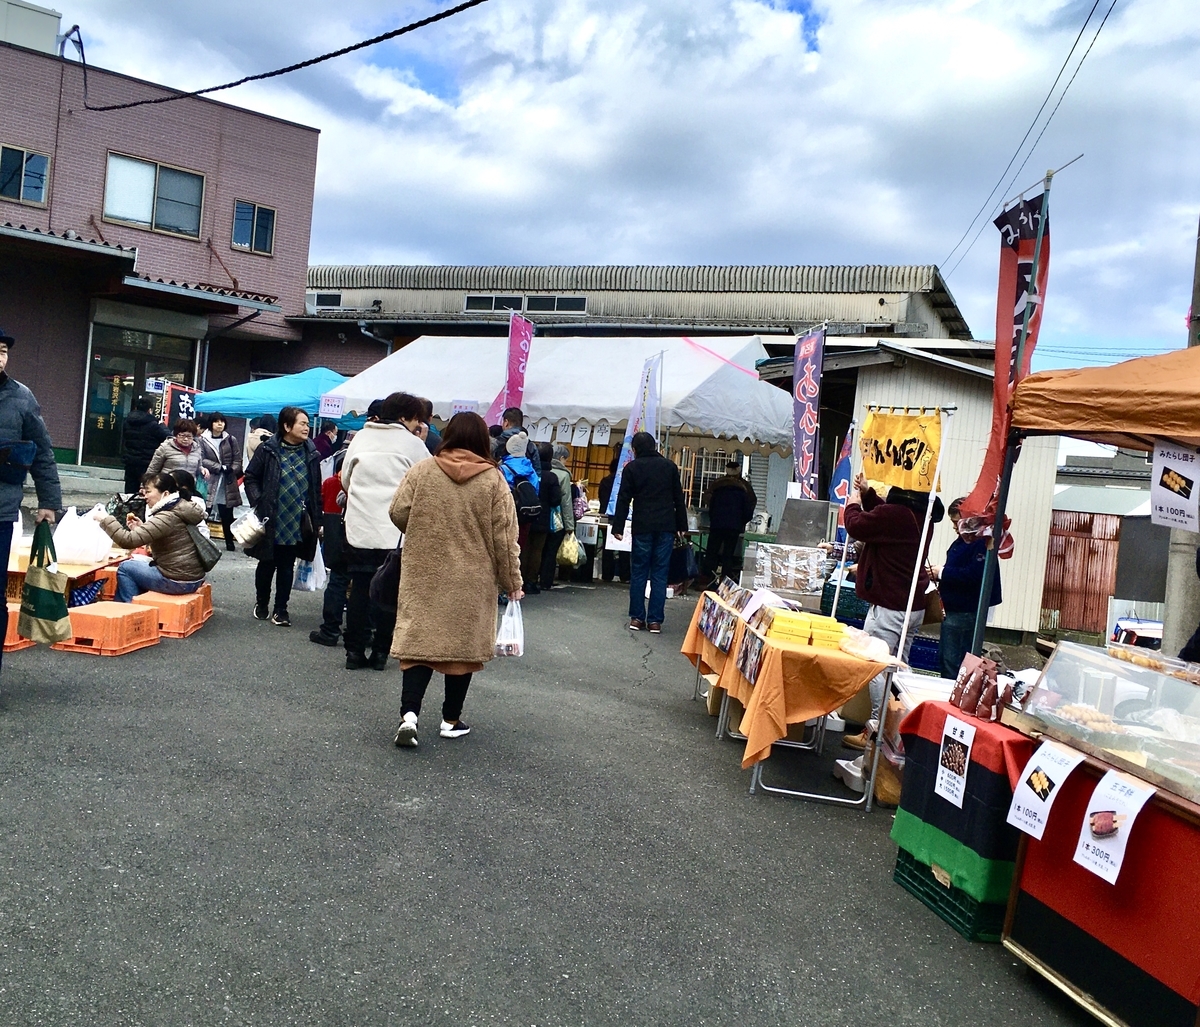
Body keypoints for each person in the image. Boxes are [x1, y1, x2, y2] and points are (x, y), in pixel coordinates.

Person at [389, 412, 522, 748]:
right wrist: (513, 581)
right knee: (460, 651)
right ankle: (450, 720)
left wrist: (423, 529)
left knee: (419, 647)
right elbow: (505, 538)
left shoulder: (422, 470)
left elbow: (398, 511)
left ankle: (409, 716)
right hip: (472, 578)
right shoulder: (493, 480)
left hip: (425, 572)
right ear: (481, 440)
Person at [842, 473, 944, 748]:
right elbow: (882, 515)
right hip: (911, 606)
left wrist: (853, 503)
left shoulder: (897, 515)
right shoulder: (920, 516)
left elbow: (858, 525)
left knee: (877, 666)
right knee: (900, 669)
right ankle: (899, 729)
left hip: (890, 606)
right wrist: (867, 493)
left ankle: (877, 731)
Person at [340, 392, 431, 670]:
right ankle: (380, 652)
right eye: (416, 418)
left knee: (359, 590)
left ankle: (354, 652)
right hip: (394, 531)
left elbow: (345, 480)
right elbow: (426, 483)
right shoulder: (413, 445)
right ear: (405, 417)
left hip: (359, 528)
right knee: (388, 592)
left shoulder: (360, 439)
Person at [0, 327, 60, 674]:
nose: (0, 356)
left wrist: (48, 502)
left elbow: (43, 454)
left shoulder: (21, 397)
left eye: (4, 351)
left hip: (2, 511)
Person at [243, 406, 322, 627]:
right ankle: (262, 602)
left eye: (307, 424)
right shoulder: (268, 449)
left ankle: (281, 609)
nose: (307, 427)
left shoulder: (311, 453)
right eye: (302, 423)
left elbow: (316, 488)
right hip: (271, 516)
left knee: (287, 564)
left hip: (296, 519)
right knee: (267, 563)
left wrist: (318, 520)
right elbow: (251, 477)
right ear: (287, 426)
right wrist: (259, 501)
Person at [610, 432, 688, 634]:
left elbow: (624, 499)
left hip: (642, 525)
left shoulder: (632, 468)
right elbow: (678, 498)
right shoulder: (669, 467)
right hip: (666, 526)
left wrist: (617, 527)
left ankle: (637, 618)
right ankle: (655, 621)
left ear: (635, 450)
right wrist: (682, 525)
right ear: (655, 447)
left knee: (639, 572)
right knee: (660, 573)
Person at [94, 471, 206, 602]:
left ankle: (128, 610)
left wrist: (105, 519)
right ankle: (141, 606)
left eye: (148, 492)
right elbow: (166, 536)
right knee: (137, 565)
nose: (144, 495)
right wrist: (140, 528)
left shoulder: (166, 516)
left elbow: (127, 541)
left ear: (165, 494)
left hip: (178, 581)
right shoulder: (178, 508)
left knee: (126, 568)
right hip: (192, 577)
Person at [932, 497, 1002, 680]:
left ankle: (951, 697)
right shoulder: (968, 540)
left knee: (953, 661)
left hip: (964, 610)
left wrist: (942, 573)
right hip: (956, 608)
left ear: (967, 519)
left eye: (956, 522)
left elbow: (974, 575)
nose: (954, 527)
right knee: (949, 659)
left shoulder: (980, 541)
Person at [311, 451, 350, 648]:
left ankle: (330, 630)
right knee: (364, 583)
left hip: (336, 527)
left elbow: (327, 500)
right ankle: (361, 634)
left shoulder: (330, 482)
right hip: (371, 533)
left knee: (338, 579)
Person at [701, 459, 757, 584]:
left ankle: (705, 580)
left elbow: (710, 502)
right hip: (734, 527)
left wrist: (714, 518)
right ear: (738, 470)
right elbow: (750, 507)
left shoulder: (717, 485)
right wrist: (741, 521)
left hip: (717, 525)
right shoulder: (745, 488)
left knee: (711, 552)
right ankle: (726, 583)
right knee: (729, 555)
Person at [523, 441, 562, 593]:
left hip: (526, 514)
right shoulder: (552, 477)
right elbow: (556, 500)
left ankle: (521, 580)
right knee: (537, 551)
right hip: (543, 516)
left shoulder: (529, 472)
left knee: (525, 548)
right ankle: (532, 581)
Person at [199, 412, 242, 551]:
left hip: (227, 480)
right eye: (216, 421)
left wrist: (232, 469)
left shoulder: (230, 439)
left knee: (227, 512)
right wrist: (219, 467)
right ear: (210, 424)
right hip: (210, 480)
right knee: (205, 510)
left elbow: (237, 459)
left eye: (222, 421)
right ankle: (200, 540)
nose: (220, 424)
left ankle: (229, 541)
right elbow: (201, 459)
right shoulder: (202, 439)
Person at [539, 444, 576, 590]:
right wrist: (569, 525)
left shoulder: (539, 469)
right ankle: (546, 581)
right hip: (556, 518)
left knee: (538, 548)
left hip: (539, 515)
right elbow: (566, 501)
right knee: (550, 551)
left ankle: (532, 576)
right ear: (561, 458)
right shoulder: (563, 474)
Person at [146, 419, 216, 496]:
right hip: (167, 489)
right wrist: (145, 487)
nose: (186, 439)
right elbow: (152, 469)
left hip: (188, 490)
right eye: (182, 435)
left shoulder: (197, 448)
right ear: (176, 435)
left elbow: (197, 467)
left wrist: (202, 469)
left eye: (189, 436)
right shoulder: (165, 447)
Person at [120, 396, 168, 493]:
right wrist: (163, 426)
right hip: (147, 462)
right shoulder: (153, 424)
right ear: (150, 410)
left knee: (130, 490)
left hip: (130, 461)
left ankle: (130, 507)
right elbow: (167, 437)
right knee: (146, 490)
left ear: (136, 408)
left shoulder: (127, 422)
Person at [598, 455, 630, 583]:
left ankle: (607, 574)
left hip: (606, 515)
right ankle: (625, 575)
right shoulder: (625, 481)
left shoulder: (605, 481)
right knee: (624, 547)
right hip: (623, 516)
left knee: (607, 545)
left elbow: (601, 497)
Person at [491, 407, 543, 476]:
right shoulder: (530, 445)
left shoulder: (497, 442)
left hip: (502, 483)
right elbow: (537, 471)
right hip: (524, 484)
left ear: (506, 422)